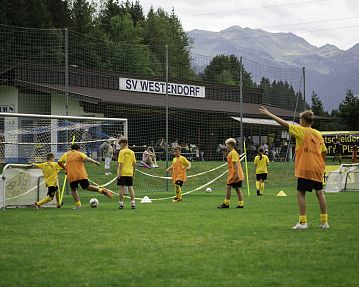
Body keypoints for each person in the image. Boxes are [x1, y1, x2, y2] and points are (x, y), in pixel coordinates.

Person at [259, 106, 329, 229]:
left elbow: (284, 124)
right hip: (318, 168)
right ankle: (324, 222)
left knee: (301, 193)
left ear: (303, 120)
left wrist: (269, 113)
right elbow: (324, 152)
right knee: (320, 193)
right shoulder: (318, 134)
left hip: (305, 168)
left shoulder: (301, 130)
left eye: (299, 119)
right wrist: (321, 163)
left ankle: (303, 222)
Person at [58, 143, 113, 210]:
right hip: (81, 174)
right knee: (87, 187)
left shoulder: (66, 154)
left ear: (71, 149)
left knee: (73, 190)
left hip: (72, 175)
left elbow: (59, 162)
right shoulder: (79, 153)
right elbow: (87, 158)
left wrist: (65, 168)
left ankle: (78, 205)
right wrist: (95, 162)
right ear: (78, 149)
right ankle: (101, 190)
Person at [217, 138, 245, 209]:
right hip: (235, 174)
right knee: (237, 189)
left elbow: (236, 164)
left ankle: (226, 204)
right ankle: (241, 204)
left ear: (230, 145)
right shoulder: (232, 153)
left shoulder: (233, 153)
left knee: (228, 187)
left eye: (226, 145)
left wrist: (236, 174)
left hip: (235, 174)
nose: (226, 146)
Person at [117, 137, 137, 209]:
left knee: (121, 188)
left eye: (120, 144)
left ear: (122, 143)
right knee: (130, 188)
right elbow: (134, 163)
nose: (120, 146)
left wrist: (119, 173)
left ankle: (121, 204)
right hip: (130, 173)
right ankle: (133, 203)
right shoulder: (132, 152)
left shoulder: (121, 152)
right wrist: (133, 172)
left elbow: (121, 164)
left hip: (123, 172)